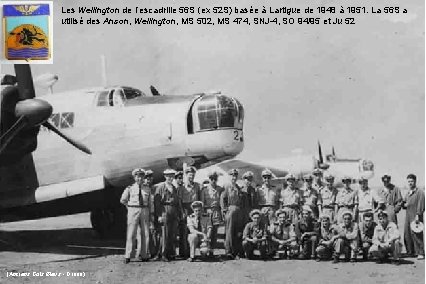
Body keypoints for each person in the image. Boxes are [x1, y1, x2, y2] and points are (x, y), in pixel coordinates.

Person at [120, 168, 153, 264]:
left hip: (144, 209)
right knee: (131, 233)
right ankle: (128, 255)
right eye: (138, 177)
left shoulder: (147, 188)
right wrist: (129, 208)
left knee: (145, 233)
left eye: (142, 177)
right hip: (133, 209)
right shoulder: (130, 188)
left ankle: (144, 255)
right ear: (134, 177)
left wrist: (150, 213)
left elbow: (150, 202)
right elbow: (123, 200)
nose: (140, 179)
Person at [154, 168, 182, 261]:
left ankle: (170, 253)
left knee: (172, 233)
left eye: (172, 176)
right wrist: (159, 215)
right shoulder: (161, 187)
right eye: (168, 176)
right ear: (165, 176)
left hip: (173, 210)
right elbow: (157, 202)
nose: (170, 178)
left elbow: (177, 202)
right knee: (164, 233)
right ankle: (163, 254)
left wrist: (177, 214)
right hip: (164, 210)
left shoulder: (174, 187)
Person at [220, 168, 247, 259]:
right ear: (229, 176)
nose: (234, 177)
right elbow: (222, 199)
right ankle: (229, 251)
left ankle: (236, 252)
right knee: (229, 231)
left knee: (238, 231)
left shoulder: (239, 188)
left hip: (238, 211)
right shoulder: (226, 187)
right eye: (232, 175)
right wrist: (224, 211)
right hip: (230, 210)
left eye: (235, 175)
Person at [200, 171, 224, 256]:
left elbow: (222, 201)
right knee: (206, 232)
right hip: (207, 212)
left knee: (214, 232)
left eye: (215, 179)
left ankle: (211, 250)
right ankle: (204, 250)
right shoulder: (204, 190)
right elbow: (202, 203)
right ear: (209, 179)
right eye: (212, 179)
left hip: (216, 212)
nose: (213, 180)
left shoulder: (220, 189)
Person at [403, 174, 425, 259]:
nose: (410, 183)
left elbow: (421, 204)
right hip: (408, 215)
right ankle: (410, 251)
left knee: (417, 233)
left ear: (415, 181)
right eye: (409, 181)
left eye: (411, 181)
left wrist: (418, 215)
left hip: (416, 215)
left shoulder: (419, 192)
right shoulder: (408, 192)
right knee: (407, 233)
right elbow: (404, 203)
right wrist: (404, 204)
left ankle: (421, 252)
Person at [175, 171, 190, 258]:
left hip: (181, 212)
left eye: (181, 178)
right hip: (176, 212)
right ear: (176, 179)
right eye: (178, 178)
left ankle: (183, 252)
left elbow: (181, 201)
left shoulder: (182, 188)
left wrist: (182, 212)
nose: (180, 180)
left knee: (183, 232)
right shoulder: (175, 188)